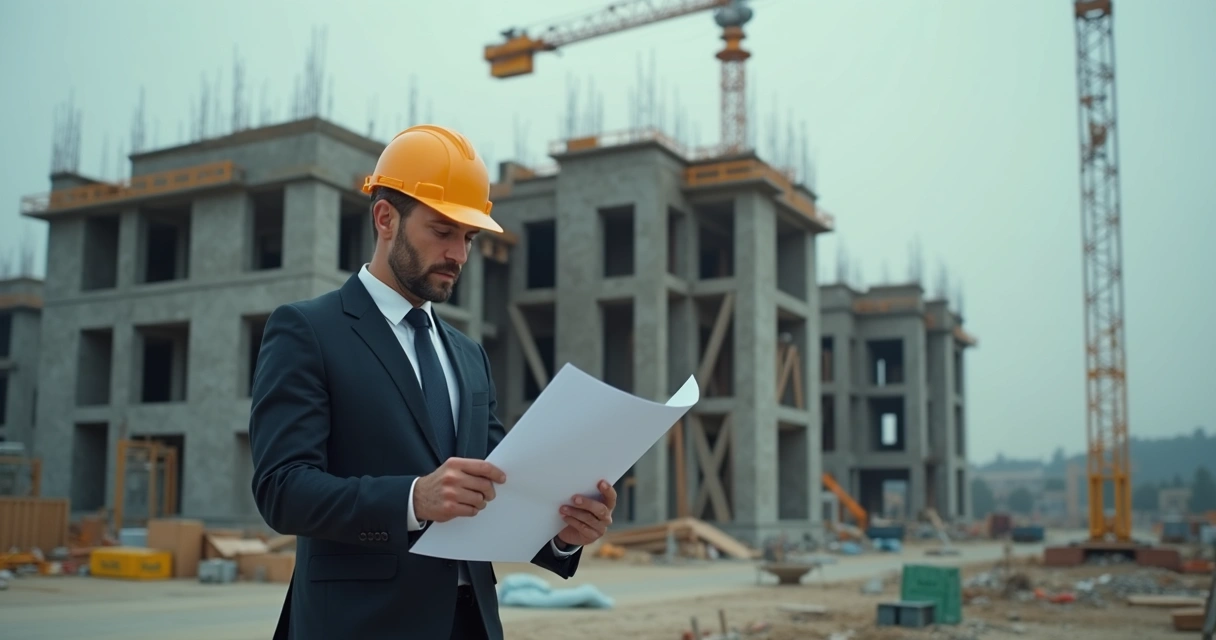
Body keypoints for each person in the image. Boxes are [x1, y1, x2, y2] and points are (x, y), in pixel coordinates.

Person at [248, 124, 617, 640]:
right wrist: (413, 499)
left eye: (467, 237)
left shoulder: (467, 356)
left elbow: (500, 486)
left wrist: (564, 531)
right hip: (360, 625)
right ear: (385, 219)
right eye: (442, 231)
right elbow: (281, 489)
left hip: (470, 624)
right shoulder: (308, 331)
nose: (459, 255)